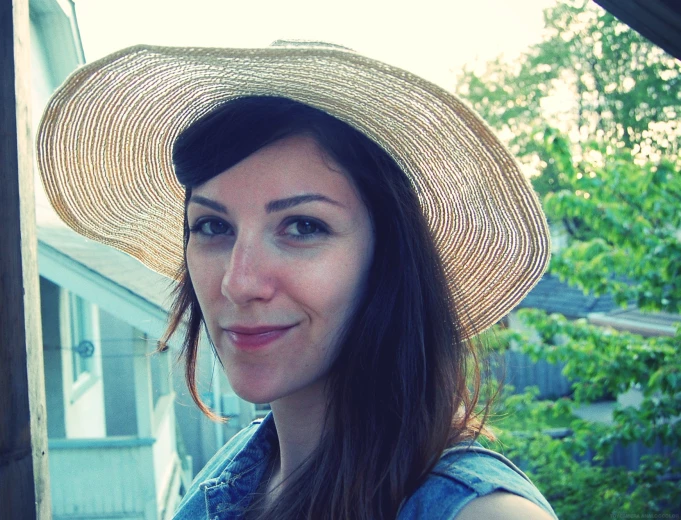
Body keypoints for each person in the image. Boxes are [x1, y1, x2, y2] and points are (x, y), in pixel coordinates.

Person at [36, 41, 557, 520]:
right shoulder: (236, 474)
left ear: (388, 258)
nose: (238, 283)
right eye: (212, 226)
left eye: (303, 226)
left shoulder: (483, 514)